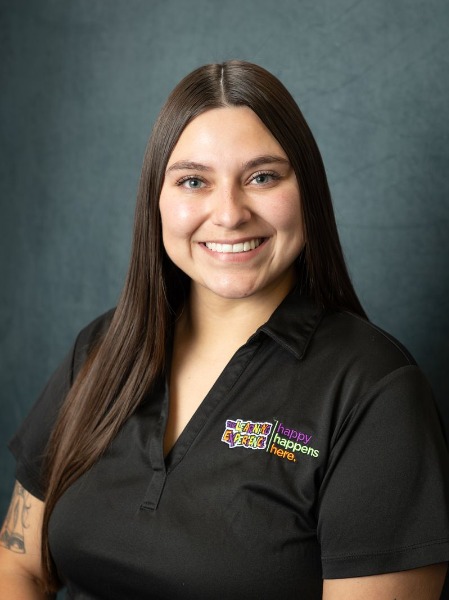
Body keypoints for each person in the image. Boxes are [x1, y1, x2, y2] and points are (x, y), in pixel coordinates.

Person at [0, 60, 448, 600]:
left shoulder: (375, 391)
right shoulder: (100, 352)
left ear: (307, 190)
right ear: (156, 199)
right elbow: (19, 567)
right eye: (194, 181)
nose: (230, 214)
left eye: (262, 177)